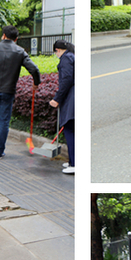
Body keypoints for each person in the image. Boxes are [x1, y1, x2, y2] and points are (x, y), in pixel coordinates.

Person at [0, 25, 41, 159]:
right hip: (8, 91)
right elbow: (34, 69)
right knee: (4, 122)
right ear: (16, 39)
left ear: (4, 36)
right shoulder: (20, 51)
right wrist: (36, 83)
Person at [49, 40, 75, 175]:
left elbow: (66, 80)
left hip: (72, 98)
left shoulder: (65, 59)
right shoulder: (72, 56)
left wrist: (56, 99)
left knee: (70, 129)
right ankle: (72, 161)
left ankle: (74, 164)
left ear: (57, 50)